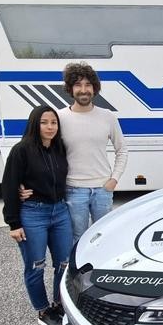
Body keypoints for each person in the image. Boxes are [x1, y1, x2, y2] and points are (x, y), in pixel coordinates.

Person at [2, 105, 71, 325]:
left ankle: (59, 303)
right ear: (34, 124)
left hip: (60, 212)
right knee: (36, 265)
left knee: (64, 263)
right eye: (44, 122)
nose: (50, 127)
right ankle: (43, 310)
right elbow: (9, 185)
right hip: (33, 214)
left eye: (54, 122)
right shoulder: (21, 150)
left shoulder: (59, 148)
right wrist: (13, 223)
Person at [57, 62, 128, 242]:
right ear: (70, 88)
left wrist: (114, 180)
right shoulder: (59, 117)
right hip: (73, 189)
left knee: (103, 237)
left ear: (94, 88)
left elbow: (122, 150)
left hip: (103, 189)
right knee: (77, 238)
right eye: (78, 85)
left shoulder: (107, 116)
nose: (83, 90)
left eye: (88, 85)